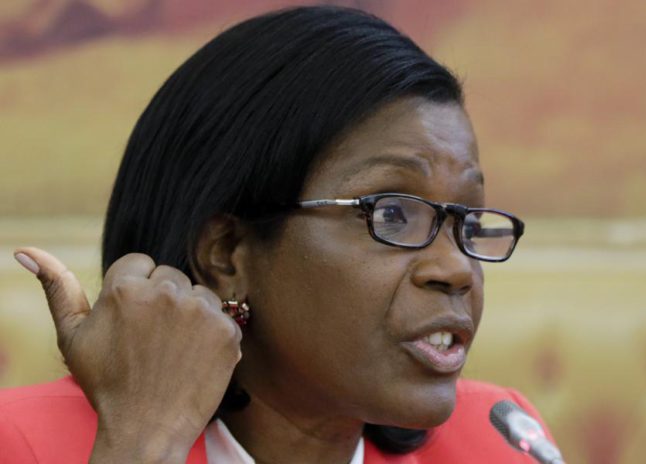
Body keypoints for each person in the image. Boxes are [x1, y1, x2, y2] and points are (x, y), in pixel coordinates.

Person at [1, 5, 554, 463]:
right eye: (391, 214)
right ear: (227, 255)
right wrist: (144, 444)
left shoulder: (499, 440)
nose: (456, 269)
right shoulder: (20, 442)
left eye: (466, 220)